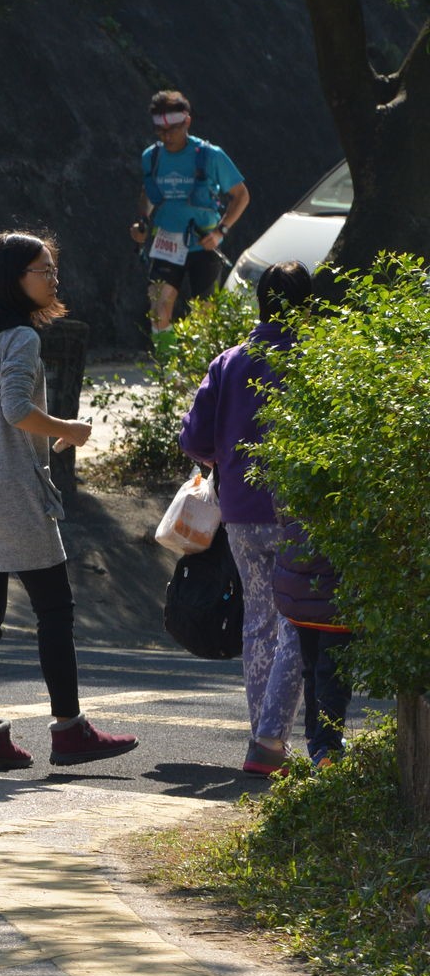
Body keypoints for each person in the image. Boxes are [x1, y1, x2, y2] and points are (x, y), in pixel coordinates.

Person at [0, 232, 136, 771]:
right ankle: (69, 731)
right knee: (54, 610)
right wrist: (70, 429)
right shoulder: (19, 337)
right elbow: (16, 409)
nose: (53, 278)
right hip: (14, 492)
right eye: (43, 270)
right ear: (14, 278)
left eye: (52, 269)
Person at [178, 261, 314, 774]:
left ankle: (265, 742)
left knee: (258, 623)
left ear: (260, 303)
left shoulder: (229, 362)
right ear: (306, 307)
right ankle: (270, 740)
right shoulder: (314, 361)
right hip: (297, 512)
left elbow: (194, 439)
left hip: (239, 513)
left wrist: (225, 458)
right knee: (298, 622)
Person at [129, 90, 250, 352]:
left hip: (203, 244)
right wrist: (142, 221)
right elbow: (148, 193)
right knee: (159, 307)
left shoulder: (210, 155)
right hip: (166, 242)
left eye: (172, 129)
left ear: (187, 122)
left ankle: (203, 368)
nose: (166, 136)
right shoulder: (152, 157)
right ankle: (168, 367)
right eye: (160, 130)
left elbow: (241, 196)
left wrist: (220, 231)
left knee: (205, 314)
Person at [272, 521, 352, 765]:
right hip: (333, 592)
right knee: (333, 673)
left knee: (313, 669)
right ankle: (327, 748)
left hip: (297, 583)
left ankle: (315, 741)